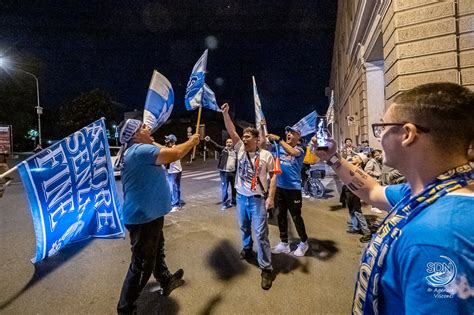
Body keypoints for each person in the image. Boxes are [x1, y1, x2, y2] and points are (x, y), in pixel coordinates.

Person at [311, 82, 474, 314]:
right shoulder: (437, 190)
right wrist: (332, 158)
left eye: (382, 127)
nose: (379, 136)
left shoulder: (434, 238)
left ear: (407, 134)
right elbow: (373, 192)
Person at [116, 119, 200, 314]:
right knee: (142, 265)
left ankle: (165, 279)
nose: (149, 128)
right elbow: (175, 154)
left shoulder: (137, 149)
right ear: (135, 135)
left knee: (157, 249)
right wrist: (192, 141)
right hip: (143, 218)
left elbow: (163, 147)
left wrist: (148, 138)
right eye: (143, 127)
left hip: (150, 215)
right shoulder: (139, 151)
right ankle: (125, 308)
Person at [221, 103, 277, 290]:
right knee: (244, 226)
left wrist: (271, 197)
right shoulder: (240, 150)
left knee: (261, 233)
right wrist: (226, 113)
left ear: (256, 139)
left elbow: (274, 175)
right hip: (242, 197)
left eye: (247, 136)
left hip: (258, 199)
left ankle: (266, 268)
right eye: (243, 136)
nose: (243, 138)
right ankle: (247, 247)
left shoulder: (267, 155)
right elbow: (231, 130)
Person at [266, 127, 310, 256]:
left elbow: (293, 152)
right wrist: (265, 134)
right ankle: (284, 243)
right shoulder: (278, 148)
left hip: (293, 189)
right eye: (287, 133)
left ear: (298, 137)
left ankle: (304, 242)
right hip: (280, 188)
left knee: (296, 216)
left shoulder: (301, 148)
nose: (288, 134)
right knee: (281, 215)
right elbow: (265, 148)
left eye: (292, 133)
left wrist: (279, 139)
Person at [345, 153, 372, 243]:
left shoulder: (359, 171)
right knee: (351, 211)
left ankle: (367, 233)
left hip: (354, 193)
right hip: (348, 191)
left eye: (356, 157)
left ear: (360, 161)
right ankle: (356, 227)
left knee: (357, 212)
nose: (353, 157)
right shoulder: (351, 167)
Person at [205, 136, 237, 210]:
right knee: (224, 188)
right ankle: (224, 204)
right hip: (224, 173)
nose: (229, 143)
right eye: (227, 142)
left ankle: (233, 202)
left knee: (234, 188)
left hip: (233, 173)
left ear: (233, 144)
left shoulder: (236, 152)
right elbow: (215, 145)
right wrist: (210, 140)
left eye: (230, 142)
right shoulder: (223, 150)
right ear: (225, 144)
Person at [164, 134, 183, 212]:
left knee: (174, 187)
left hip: (175, 171)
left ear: (171, 141)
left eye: (168, 140)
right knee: (173, 187)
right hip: (172, 170)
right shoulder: (171, 148)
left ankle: (175, 204)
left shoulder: (173, 149)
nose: (166, 141)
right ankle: (175, 203)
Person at [364, 149, 384, 214]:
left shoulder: (378, 161)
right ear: (373, 155)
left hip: (379, 180)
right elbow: (366, 170)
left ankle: (377, 206)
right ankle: (374, 207)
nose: (379, 155)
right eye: (377, 154)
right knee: (375, 194)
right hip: (375, 180)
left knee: (378, 194)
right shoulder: (372, 161)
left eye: (379, 154)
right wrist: (376, 174)